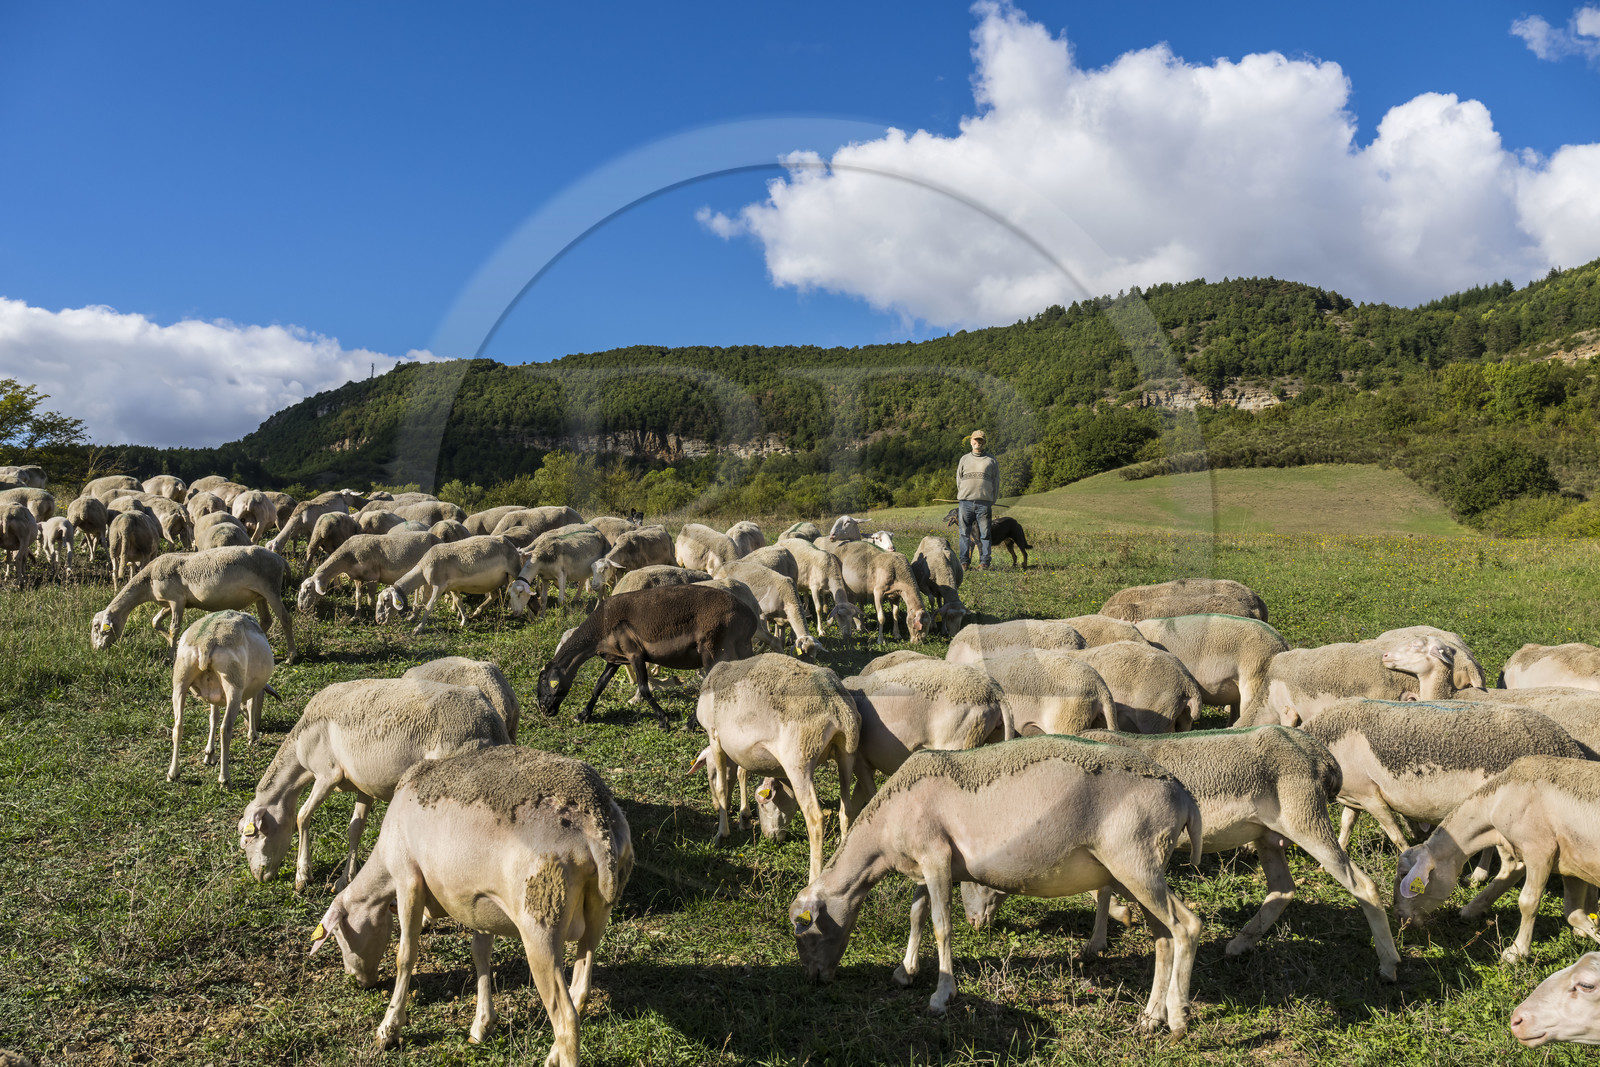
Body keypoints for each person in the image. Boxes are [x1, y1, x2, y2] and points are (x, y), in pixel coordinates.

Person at [956, 429, 998, 570]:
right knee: (964, 534)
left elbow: (996, 481)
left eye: (980, 440)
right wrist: (964, 494)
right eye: (975, 440)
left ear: (984, 442)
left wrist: (993, 499)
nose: (977, 442)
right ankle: (964, 563)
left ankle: (985, 562)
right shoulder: (964, 459)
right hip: (965, 502)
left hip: (984, 503)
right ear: (971, 441)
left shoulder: (991, 460)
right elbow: (959, 479)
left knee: (985, 534)